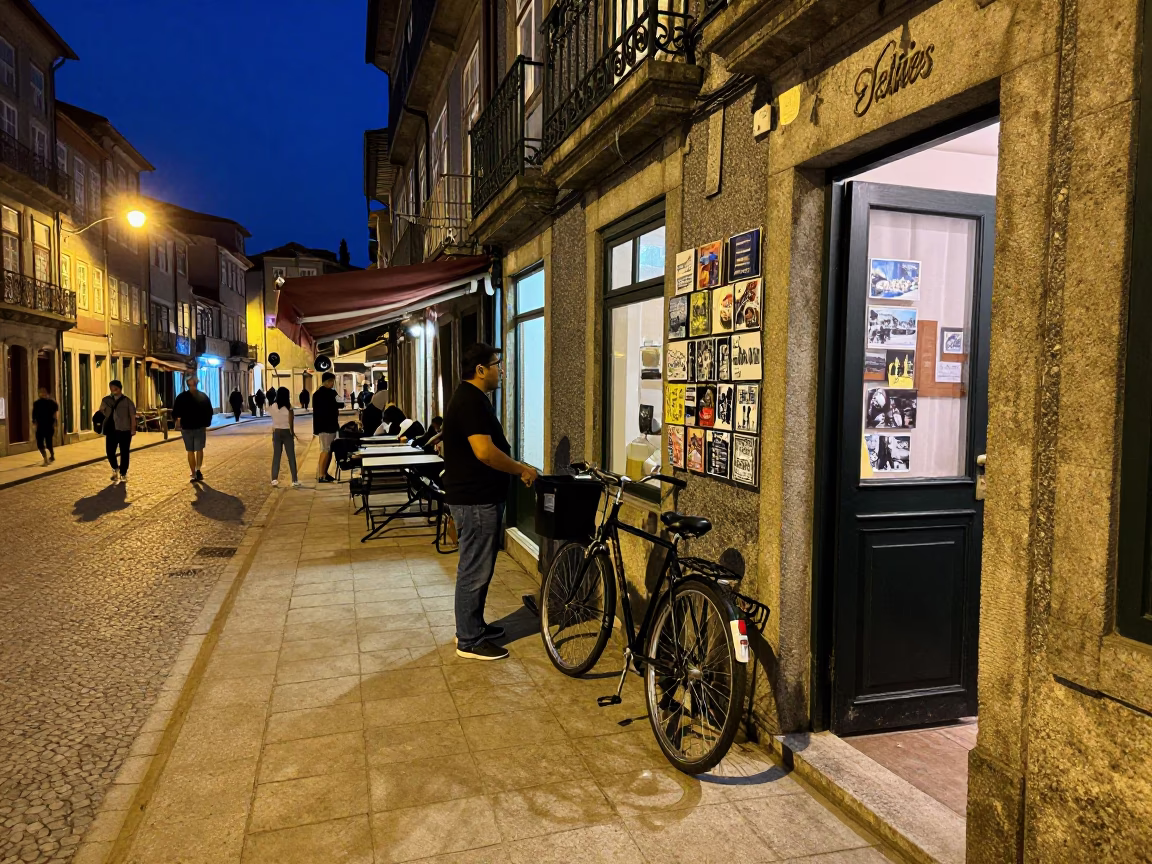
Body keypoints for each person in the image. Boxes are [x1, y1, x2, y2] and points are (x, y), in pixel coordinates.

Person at [443, 343, 537, 661]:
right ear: (481, 370)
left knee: (479, 567)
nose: (501, 370)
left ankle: (475, 626)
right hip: (475, 500)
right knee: (474, 569)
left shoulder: (472, 400)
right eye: (497, 364)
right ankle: (468, 639)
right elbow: (484, 452)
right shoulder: (471, 402)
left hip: (478, 497)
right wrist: (520, 468)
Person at [172, 375, 214, 482]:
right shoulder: (203, 396)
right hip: (199, 426)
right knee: (199, 449)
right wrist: (206, 423)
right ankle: (198, 470)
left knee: (190, 450)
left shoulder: (181, 397)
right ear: (197, 383)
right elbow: (209, 411)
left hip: (186, 427)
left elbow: (176, 412)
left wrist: (178, 421)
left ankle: (194, 473)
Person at [99, 380, 136, 484]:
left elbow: (132, 416)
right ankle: (115, 468)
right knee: (110, 452)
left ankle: (123, 473)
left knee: (124, 452)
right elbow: (101, 411)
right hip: (111, 430)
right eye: (111, 388)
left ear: (120, 388)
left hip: (125, 430)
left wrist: (133, 428)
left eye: (115, 388)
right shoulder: (106, 400)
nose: (113, 390)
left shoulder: (127, 401)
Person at [312, 371, 344, 482]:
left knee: (329, 450)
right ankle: (321, 475)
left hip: (325, 426)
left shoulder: (317, 394)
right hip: (327, 426)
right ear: (328, 381)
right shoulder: (330, 394)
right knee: (325, 450)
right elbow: (340, 403)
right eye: (332, 381)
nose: (333, 384)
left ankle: (324, 473)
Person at [268, 386, 300, 487]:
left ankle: (274, 479)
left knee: (276, 456)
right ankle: (294, 480)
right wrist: (293, 433)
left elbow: (273, 419)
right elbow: (291, 422)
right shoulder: (289, 408)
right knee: (291, 457)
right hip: (286, 432)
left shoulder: (273, 406)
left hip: (276, 432)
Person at [32, 385, 58, 466]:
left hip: (49, 425)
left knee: (48, 442)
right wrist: (34, 421)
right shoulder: (36, 403)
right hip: (40, 425)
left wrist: (55, 422)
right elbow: (34, 413)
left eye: (44, 392)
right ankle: (45, 458)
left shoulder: (52, 402)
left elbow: (55, 413)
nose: (42, 394)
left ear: (47, 393)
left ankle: (52, 455)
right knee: (39, 443)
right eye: (40, 392)